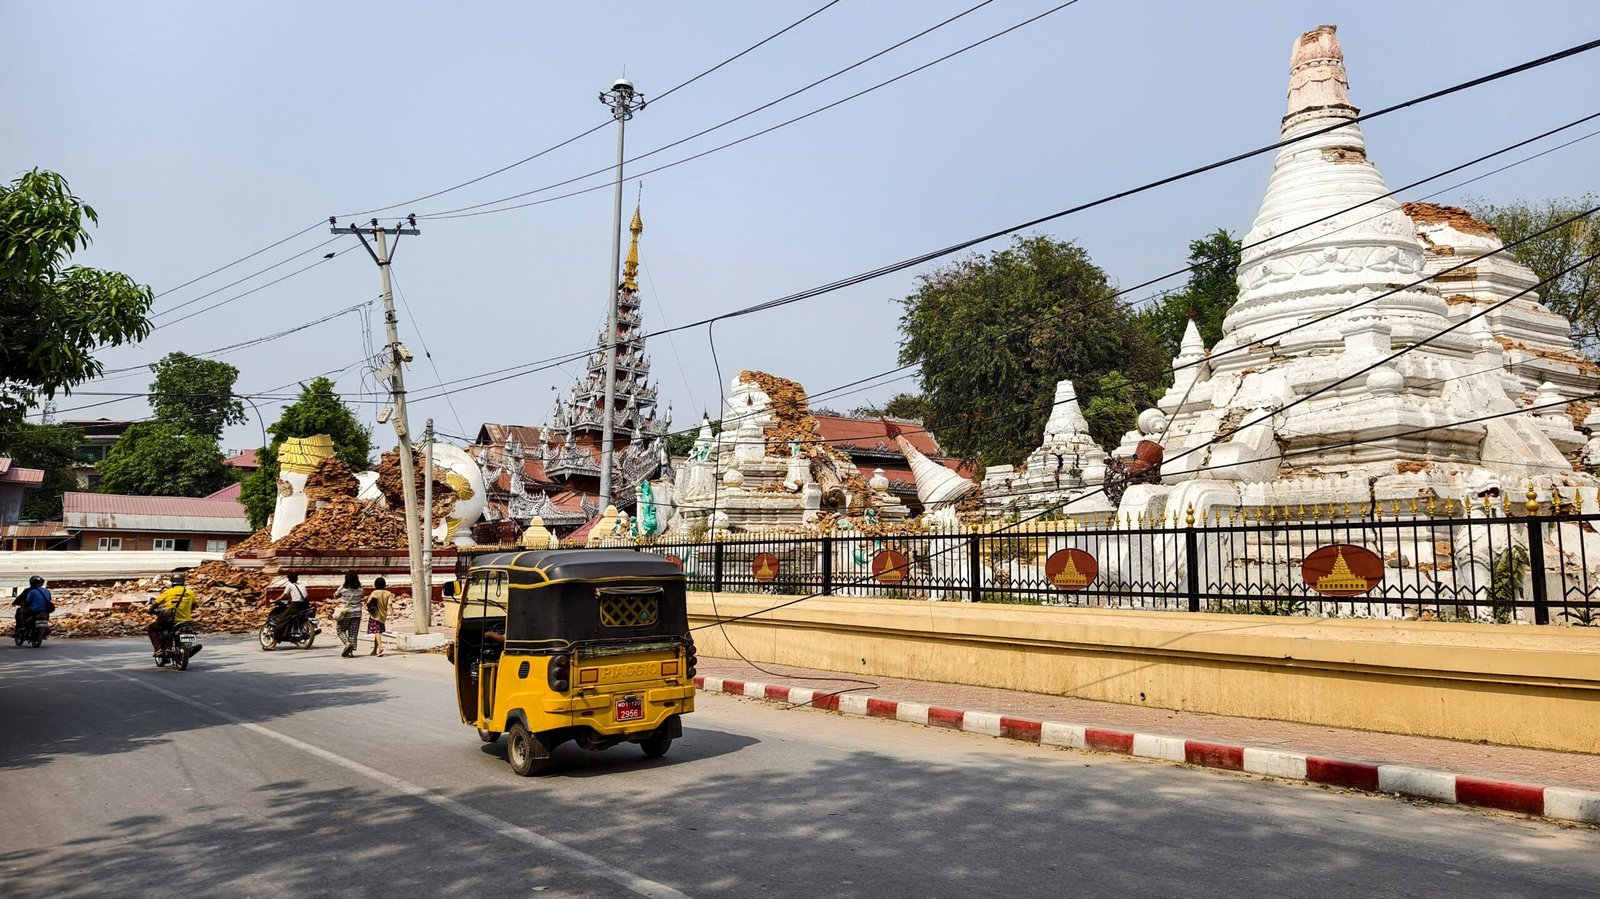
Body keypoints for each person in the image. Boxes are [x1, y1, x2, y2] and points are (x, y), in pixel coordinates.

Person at [148, 573, 197, 656]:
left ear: (172, 583)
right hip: (187, 621)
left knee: (151, 628)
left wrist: (151, 610)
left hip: (171, 621)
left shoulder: (168, 592)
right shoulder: (190, 593)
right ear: (183, 582)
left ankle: (158, 650)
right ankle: (187, 648)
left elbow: (156, 603)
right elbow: (194, 605)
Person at [331, 571, 364, 658]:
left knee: (340, 629)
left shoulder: (343, 588)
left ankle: (347, 643)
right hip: (357, 613)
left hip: (345, 612)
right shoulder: (360, 589)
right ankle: (350, 653)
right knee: (353, 633)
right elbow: (362, 596)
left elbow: (335, 595)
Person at [365, 576, 394, 656]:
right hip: (383, 615)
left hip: (375, 615)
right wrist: (392, 614)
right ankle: (375, 650)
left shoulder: (374, 592)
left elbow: (368, 602)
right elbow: (390, 605)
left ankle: (380, 647)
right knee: (378, 632)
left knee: (376, 631)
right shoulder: (388, 593)